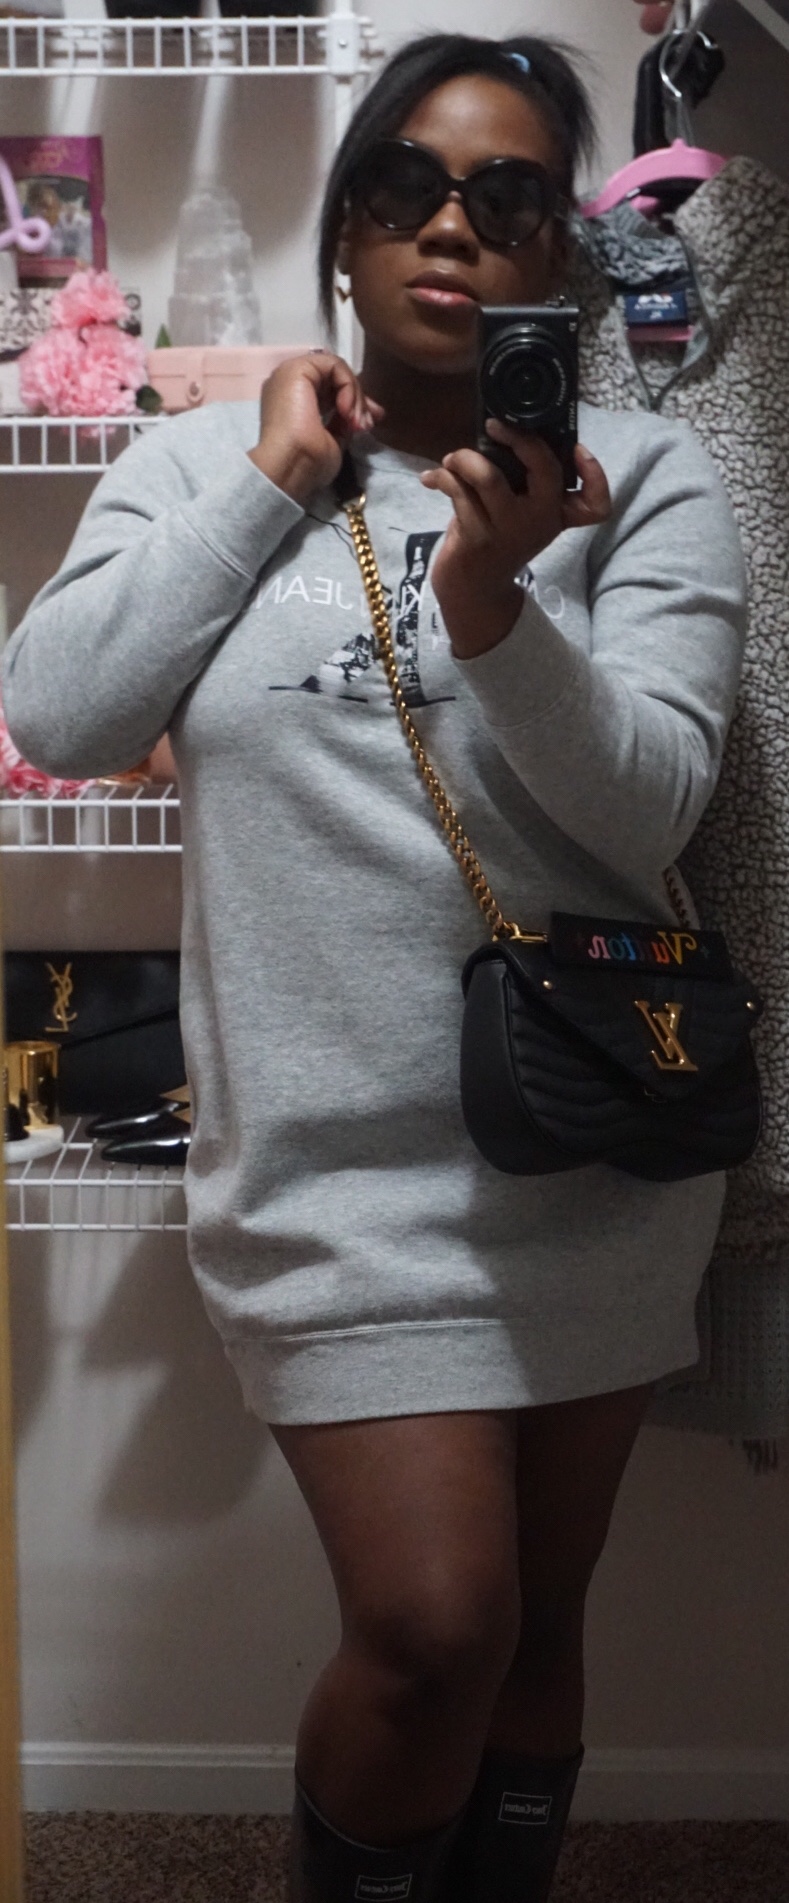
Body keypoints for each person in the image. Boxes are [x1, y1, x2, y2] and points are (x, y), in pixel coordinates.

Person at [3, 32, 746, 1903]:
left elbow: (653, 797)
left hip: (584, 1149)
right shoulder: (198, 462)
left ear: (560, 252)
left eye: (507, 199)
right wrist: (271, 477)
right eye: (406, 184)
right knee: (431, 1627)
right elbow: (63, 716)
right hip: (326, 1178)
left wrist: (498, 612)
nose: (450, 227)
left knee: (536, 1626)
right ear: (344, 226)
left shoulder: (642, 478)